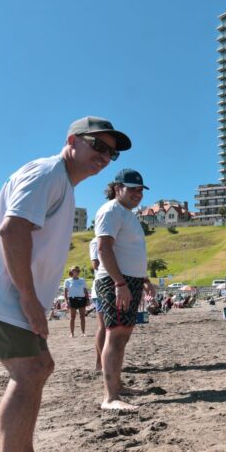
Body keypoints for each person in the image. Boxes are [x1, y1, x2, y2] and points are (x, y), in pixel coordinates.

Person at [0, 115, 131, 452]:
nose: (104, 156)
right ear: (72, 141)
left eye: (111, 154)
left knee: (39, 367)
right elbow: (12, 230)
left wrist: (31, 298)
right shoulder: (48, 173)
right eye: (98, 145)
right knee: (30, 371)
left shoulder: (61, 182)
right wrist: (29, 298)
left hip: (5, 294)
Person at [93, 169, 158, 411]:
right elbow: (103, 249)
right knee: (115, 335)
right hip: (115, 281)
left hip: (129, 281)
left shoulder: (127, 214)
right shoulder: (111, 210)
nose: (137, 194)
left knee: (122, 337)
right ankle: (110, 397)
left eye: (140, 190)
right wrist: (120, 284)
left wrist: (144, 280)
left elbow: (129, 253)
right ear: (117, 188)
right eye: (132, 189)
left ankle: (117, 386)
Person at [89, 237, 106, 371]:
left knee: (106, 327)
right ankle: (101, 361)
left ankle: (100, 361)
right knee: (103, 327)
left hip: (107, 288)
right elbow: (95, 264)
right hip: (102, 288)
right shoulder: (96, 241)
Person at [63, 266, 89, 337]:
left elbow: (85, 290)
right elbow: (65, 293)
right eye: (75, 270)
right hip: (72, 299)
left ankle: (83, 332)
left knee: (82, 316)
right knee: (72, 317)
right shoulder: (67, 281)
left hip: (82, 299)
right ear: (72, 271)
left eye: (78, 271)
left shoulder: (82, 280)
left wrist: (87, 300)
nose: (77, 272)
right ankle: (72, 333)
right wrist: (66, 302)